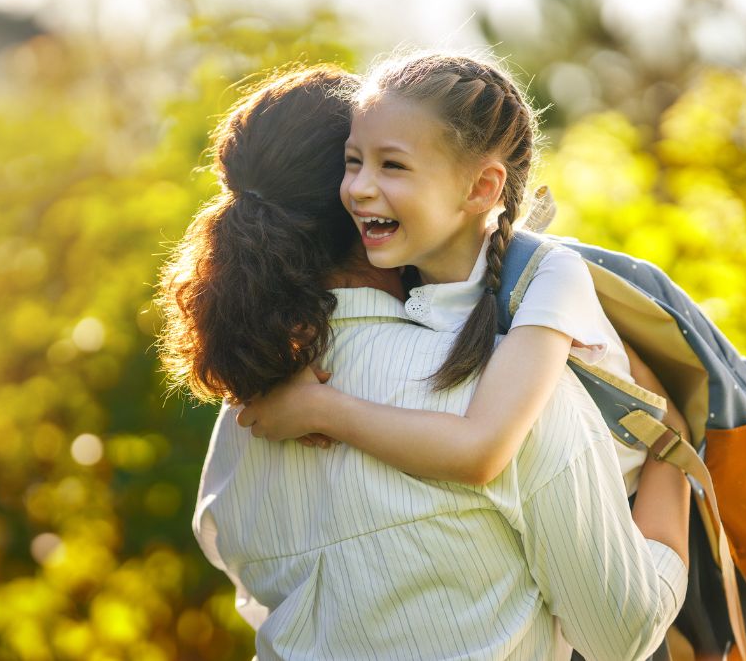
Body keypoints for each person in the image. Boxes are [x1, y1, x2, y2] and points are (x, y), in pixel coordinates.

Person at [159, 59, 689, 660]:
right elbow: (625, 634)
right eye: (355, 162)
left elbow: (255, 586)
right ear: (346, 199)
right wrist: (673, 450)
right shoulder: (512, 394)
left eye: (393, 163)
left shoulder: (253, 404)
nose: (365, 185)